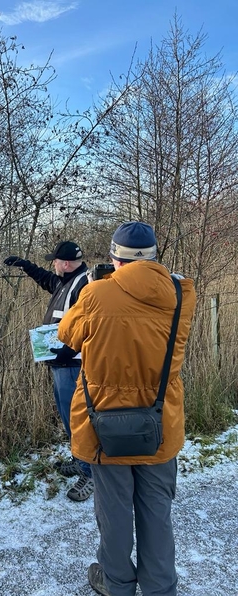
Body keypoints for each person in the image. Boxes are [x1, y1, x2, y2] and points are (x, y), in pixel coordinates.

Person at [58, 222, 196, 596]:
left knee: (114, 514)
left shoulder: (96, 294)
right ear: (153, 257)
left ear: (114, 258)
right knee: (156, 511)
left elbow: (67, 335)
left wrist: (96, 285)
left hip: (104, 423)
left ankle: (117, 584)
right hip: (159, 422)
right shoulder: (181, 295)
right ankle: (159, 587)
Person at [4, 240, 93, 501]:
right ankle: (80, 460)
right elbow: (45, 279)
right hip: (59, 362)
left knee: (78, 419)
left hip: (72, 363)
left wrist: (67, 351)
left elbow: (89, 323)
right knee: (69, 418)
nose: (52, 265)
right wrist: (25, 265)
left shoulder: (84, 285)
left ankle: (89, 473)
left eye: (54, 261)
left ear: (65, 263)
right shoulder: (65, 281)